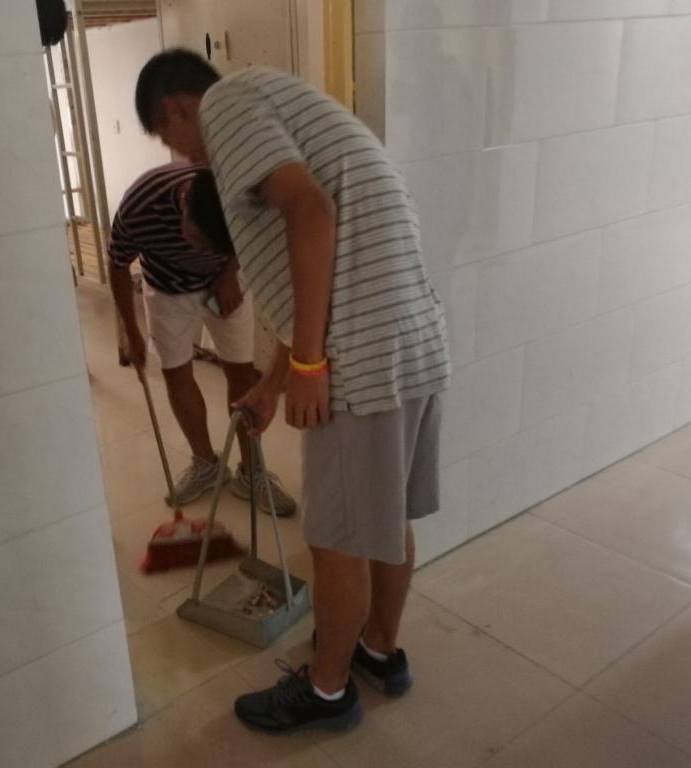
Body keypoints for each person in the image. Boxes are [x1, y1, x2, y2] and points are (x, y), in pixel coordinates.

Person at [136, 51, 450, 733]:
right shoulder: (281, 105)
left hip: (360, 355)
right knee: (385, 520)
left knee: (336, 539)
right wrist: (275, 382)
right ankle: (377, 650)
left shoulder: (227, 105)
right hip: (410, 340)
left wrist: (309, 364)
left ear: (176, 108)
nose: (184, 155)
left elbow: (311, 209)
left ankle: (328, 690)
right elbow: (316, 268)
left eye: (168, 137)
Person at [108, 162, 296, 514]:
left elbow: (254, 236)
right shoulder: (140, 205)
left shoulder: (240, 193)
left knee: (242, 376)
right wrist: (131, 332)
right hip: (166, 288)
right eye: (195, 239)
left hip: (226, 283)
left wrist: (228, 270)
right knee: (176, 374)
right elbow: (117, 265)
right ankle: (206, 464)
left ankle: (251, 473)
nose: (200, 250)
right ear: (184, 201)